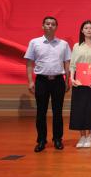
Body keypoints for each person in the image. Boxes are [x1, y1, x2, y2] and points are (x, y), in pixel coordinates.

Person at [24, 16, 71, 152]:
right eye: (47, 23)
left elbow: (67, 63)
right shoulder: (34, 42)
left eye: (53, 24)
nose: (50, 26)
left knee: (58, 112)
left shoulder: (63, 44)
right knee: (41, 112)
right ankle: (41, 140)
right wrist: (30, 81)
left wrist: (67, 80)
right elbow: (29, 63)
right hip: (41, 81)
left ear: (56, 27)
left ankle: (57, 139)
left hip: (58, 81)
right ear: (43, 26)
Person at [69, 20, 91, 148]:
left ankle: (90, 136)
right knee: (79, 108)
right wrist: (71, 78)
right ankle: (82, 136)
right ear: (82, 30)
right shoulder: (76, 46)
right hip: (78, 79)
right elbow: (73, 64)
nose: (89, 30)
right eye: (86, 28)